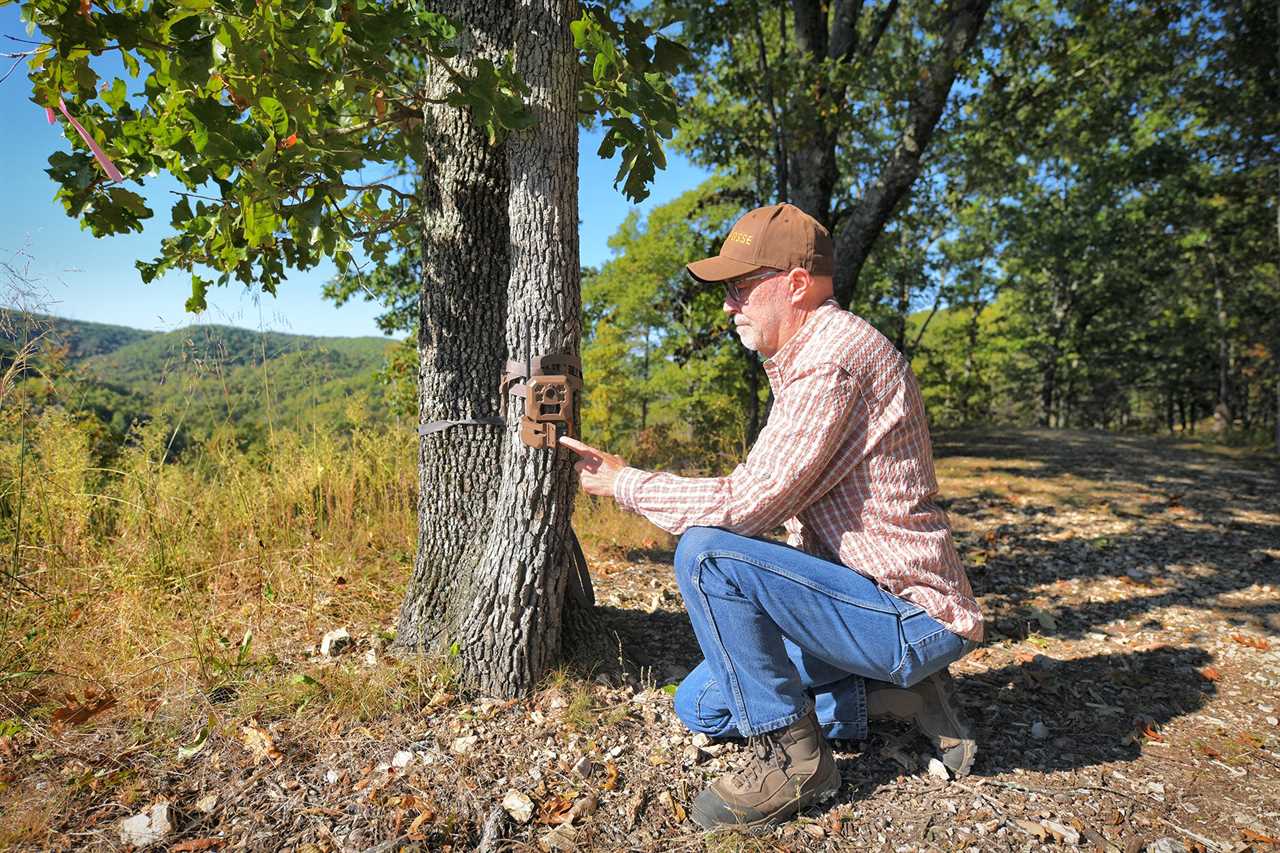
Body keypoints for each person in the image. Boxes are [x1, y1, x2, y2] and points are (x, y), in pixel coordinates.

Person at [559, 202, 983, 830]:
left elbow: (743, 507)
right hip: (853, 602)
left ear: (793, 283)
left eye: (739, 289)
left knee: (706, 553)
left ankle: (795, 759)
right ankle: (894, 699)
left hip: (906, 614)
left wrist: (623, 483)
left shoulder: (828, 362)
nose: (729, 307)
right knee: (702, 705)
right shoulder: (807, 356)